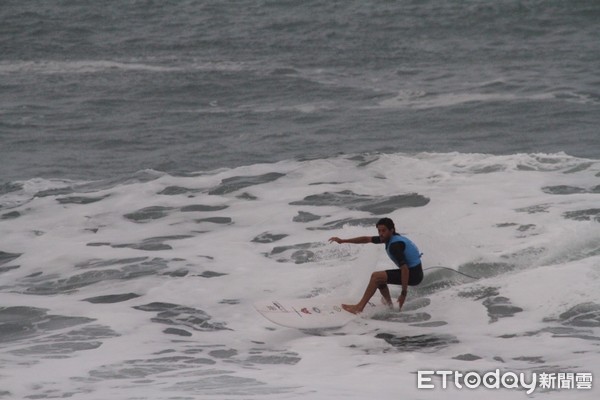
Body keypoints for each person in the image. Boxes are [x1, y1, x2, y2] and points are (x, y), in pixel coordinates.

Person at [329, 217, 424, 314]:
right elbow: (366, 239)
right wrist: (343, 241)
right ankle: (390, 305)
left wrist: (403, 294)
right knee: (379, 279)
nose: (381, 234)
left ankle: (359, 307)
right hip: (414, 272)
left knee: (376, 277)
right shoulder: (389, 238)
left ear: (391, 230)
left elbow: (405, 269)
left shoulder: (394, 246)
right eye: (379, 231)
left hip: (413, 275)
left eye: (384, 231)